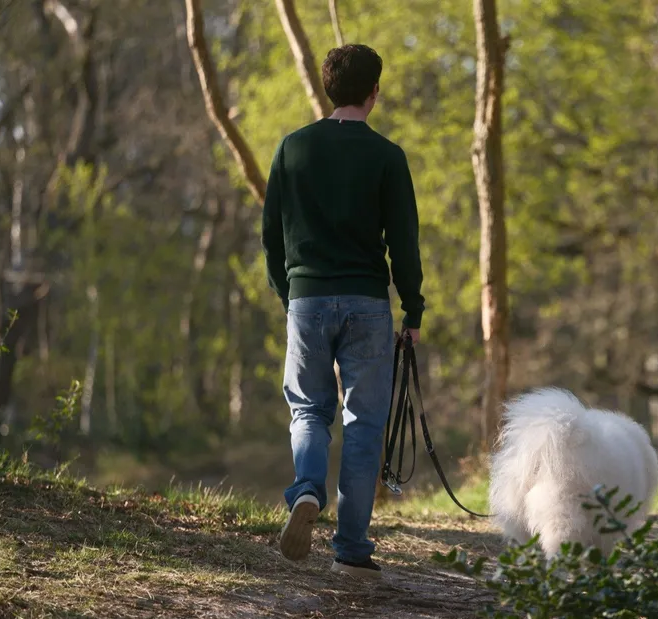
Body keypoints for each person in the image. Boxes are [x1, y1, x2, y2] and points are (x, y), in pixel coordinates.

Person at [261, 43, 424, 579]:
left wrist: (292, 297)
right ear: (374, 91)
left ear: (329, 88)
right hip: (367, 304)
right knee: (364, 423)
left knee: (308, 409)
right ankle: (352, 549)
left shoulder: (291, 149)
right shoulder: (387, 156)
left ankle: (307, 488)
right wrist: (414, 309)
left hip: (307, 298)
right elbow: (403, 242)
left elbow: (271, 237)